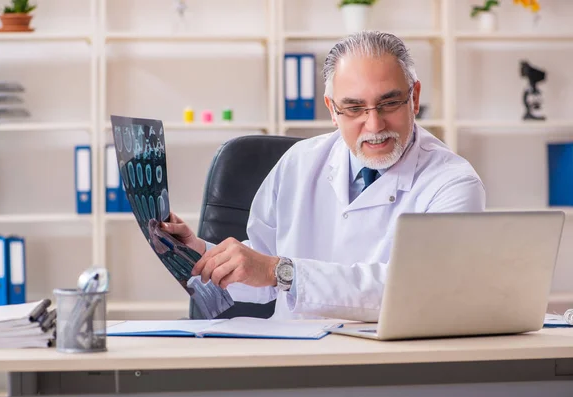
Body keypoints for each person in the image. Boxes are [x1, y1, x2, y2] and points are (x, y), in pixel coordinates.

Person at [161, 31, 486, 322]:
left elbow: (420, 290)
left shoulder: (452, 182)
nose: (374, 126)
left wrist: (282, 272)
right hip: (294, 359)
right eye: (354, 108)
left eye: (388, 103)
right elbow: (261, 271)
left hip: (390, 365)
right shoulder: (300, 162)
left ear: (414, 98)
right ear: (332, 110)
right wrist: (201, 253)